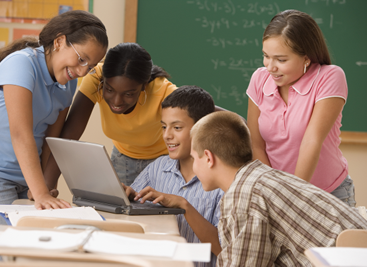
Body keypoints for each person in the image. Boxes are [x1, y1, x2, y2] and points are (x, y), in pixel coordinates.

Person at [0, 10, 108, 226]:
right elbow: (20, 134)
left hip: (25, 177)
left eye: (89, 67)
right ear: (60, 41)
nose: (81, 72)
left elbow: (49, 138)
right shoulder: (21, 65)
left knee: (33, 246)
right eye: (81, 59)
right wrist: (40, 192)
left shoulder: (67, 81)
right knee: (9, 252)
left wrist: (42, 183)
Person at [190, 111, 367, 267]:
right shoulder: (261, 176)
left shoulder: (243, 195)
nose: (193, 167)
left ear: (208, 157)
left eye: (193, 159)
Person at [246, 10, 354, 206]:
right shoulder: (259, 79)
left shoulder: (329, 77)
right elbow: (256, 144)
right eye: (266, 56)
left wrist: (293, 198)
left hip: (329, 195)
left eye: (281, 60)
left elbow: (311, 141)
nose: (270, 67)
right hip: (278, 194)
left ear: (306, 58)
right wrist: (276, 191)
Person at [43, 42, 177, 189]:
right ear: (103, 80)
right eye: (109, 90)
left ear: (144, 85)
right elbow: (70, 134)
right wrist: (47, 186)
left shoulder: (165, 92)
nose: (116, 101)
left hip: (162, 161)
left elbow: (194, 134)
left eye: (128, 94)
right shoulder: (96, 78)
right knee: (116, 209)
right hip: (122, 158)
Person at [123, 86, 224, 267]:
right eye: (163, 126)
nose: (167, 135)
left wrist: (184, 206)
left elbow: (224, 250)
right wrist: (130, 197)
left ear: (203, 129)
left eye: (177, 127)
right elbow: (136, 212)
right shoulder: (158, 167)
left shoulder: (222, 180)